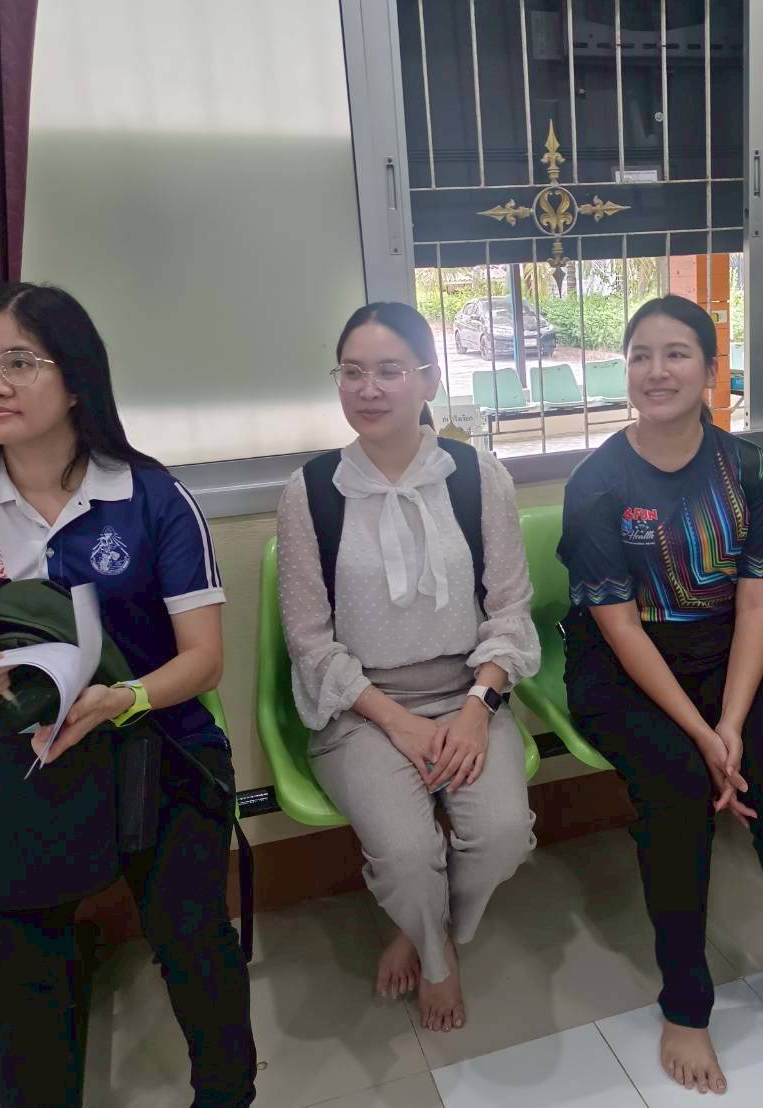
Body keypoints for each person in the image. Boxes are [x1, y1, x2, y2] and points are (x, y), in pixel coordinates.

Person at [0, 283, 257, 1106]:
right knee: (1, 962)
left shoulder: (150, 496)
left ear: (75, 381)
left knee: (194, 937)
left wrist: (121, 699)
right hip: (19, 761)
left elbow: (203, 661)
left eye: (19, 362)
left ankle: (227, 1093)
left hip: (154, 741)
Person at [558, 295, 763, 1095]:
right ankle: (686, 1006)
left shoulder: (747, 469)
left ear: (708, 368)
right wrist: (702, 738)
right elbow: (617, 627)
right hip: (623, 667)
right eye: (639, 354)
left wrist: (731, 722)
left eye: (675, 353)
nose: (655, 370)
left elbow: (757, 604)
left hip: (729, 655)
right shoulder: (597, 482)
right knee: (675, 794)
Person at [276, 302, 538, 1033]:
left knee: (502, 837)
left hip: (468, 693)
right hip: (361, 707)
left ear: (427, 380)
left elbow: (510, 611)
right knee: (405, 852)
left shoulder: (478, 477)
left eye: (389, 371)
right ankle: (436, 957)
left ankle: (424, 928)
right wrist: (396, 722)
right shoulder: (310, 492)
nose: (368, 389)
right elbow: (308, 641)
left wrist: (477, 710)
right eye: (351, 372)